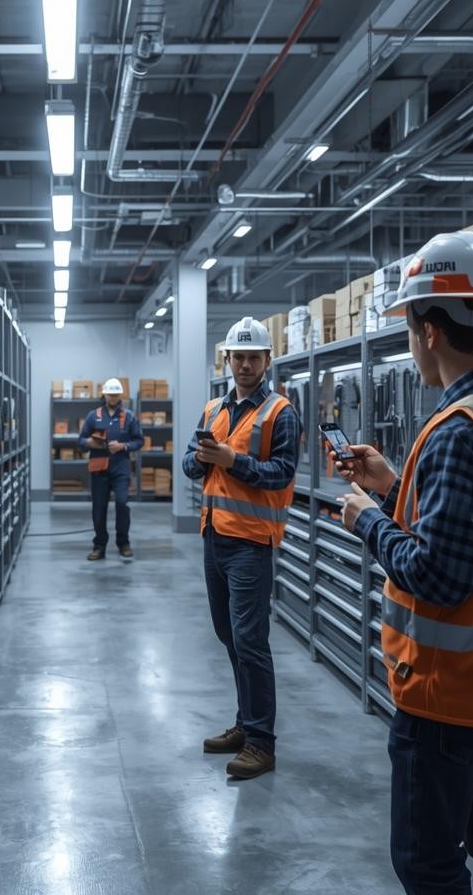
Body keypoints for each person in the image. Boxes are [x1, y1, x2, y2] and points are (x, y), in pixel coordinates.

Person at [334, 231, 473, 895]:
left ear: (429, 329)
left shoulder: (460, 429)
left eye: (408, 325)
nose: (409, 341)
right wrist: (399, 483)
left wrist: (369, 519)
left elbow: (440, 575)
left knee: (429, 864)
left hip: (450, 695)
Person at [182, 317, 298, 780]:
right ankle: (244, 724)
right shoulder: (213, 409)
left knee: (251, 642)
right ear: (227, 360)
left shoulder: (280, 412)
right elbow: (191, 463)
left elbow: (282, 474)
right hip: (214, 538)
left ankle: (262, 743)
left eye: (254, 356)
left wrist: (234, 461)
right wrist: (206, 458)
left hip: (251, 542)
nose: (246, 363)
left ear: (267, 360)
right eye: (239, 356)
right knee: (229, 637)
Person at [79, 377, 143, 560]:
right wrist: (89, 442)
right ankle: (99, 545)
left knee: (122, 503)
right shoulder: (94, 416)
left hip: (120, 467)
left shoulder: (129, 416)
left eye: (115, 394)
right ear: (104, 394)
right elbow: (80, 441)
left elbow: (139, 441)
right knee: (98, 508)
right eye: (109, 394)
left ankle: (123, 543)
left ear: (119, 395)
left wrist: (123, 446)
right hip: (99, 468)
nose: (112, 397)